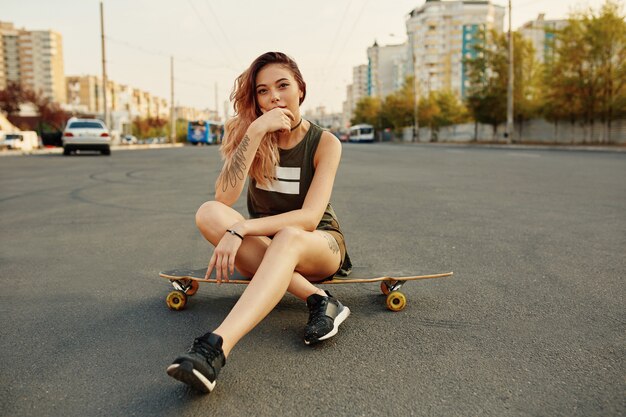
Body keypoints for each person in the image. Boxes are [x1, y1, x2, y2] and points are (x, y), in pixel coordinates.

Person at [167, 51, 352, 394]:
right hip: (271, 252)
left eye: (283, 86)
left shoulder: (325, 142)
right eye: (263, 91)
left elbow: (309, 218)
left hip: (318, 245)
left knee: (289, 236)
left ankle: (216, 346)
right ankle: (318, 299)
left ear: (300, 89)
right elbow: (223, 199)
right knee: (208, 212)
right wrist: (254, 132)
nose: (274, 97)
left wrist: (241, 229)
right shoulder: (253, 132)